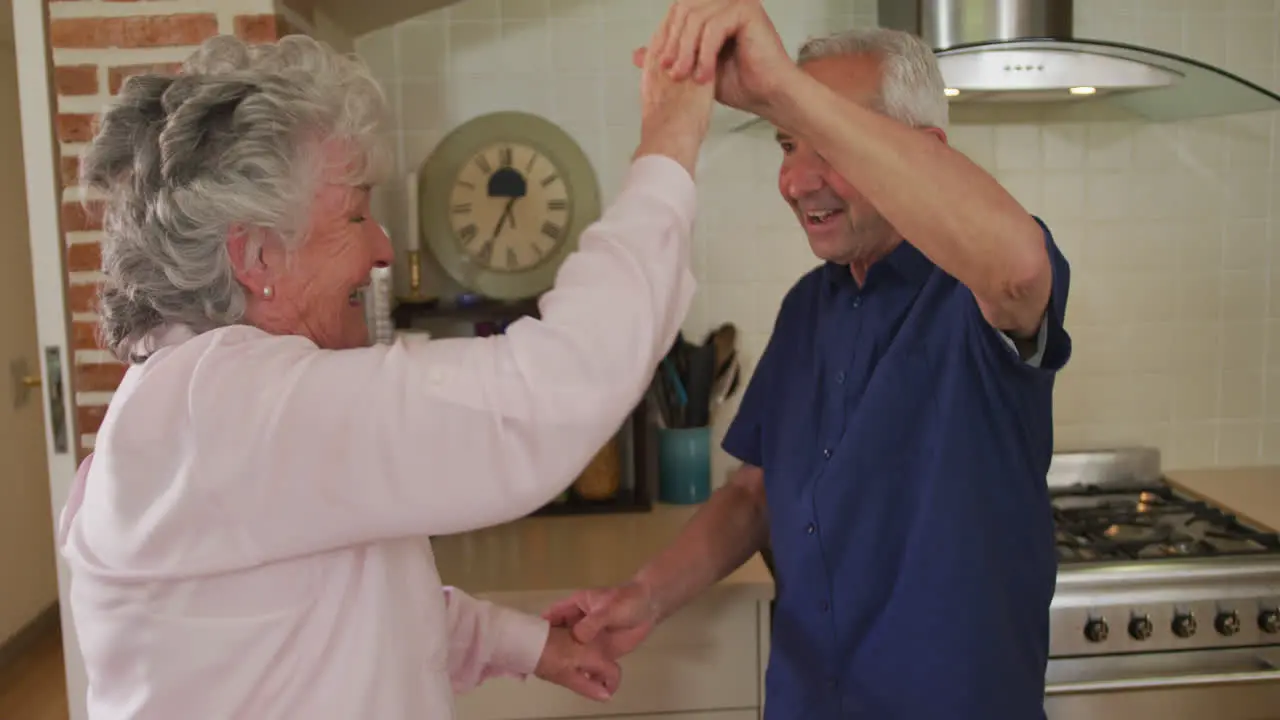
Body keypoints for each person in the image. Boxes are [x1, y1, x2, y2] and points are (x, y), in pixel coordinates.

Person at [57, 27, 715, 719]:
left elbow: (348, 597)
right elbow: (546, 392)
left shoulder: (208, 410)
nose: (381, 246)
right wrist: (668, 144)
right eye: (354, 213)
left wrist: (527, 646)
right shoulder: (226, 405)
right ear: (256, 257)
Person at [545, 2, 1072, 718]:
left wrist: (785, 86)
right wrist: (646, 593)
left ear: (926, 151)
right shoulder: (807, 307)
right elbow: (755, 495)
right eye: (788, 144)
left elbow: (1016, 270)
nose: (795, 182)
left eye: (830, 145)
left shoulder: (978, 293)